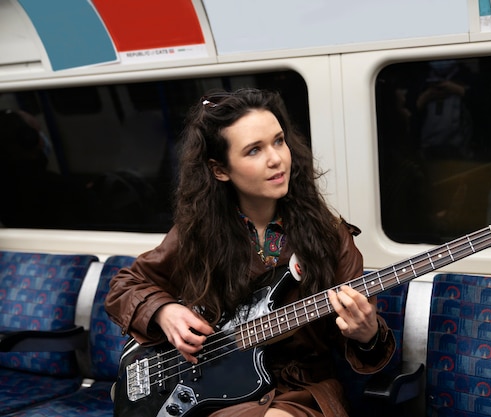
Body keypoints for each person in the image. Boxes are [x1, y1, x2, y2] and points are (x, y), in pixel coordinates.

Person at [104, 88, 395, 417]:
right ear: (220, 170)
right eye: (254, 150)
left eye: (279, 141)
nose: (276, 159)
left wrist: (367, 333)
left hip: (299, 389)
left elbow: (357, 346)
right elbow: (125, 285)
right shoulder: (197, 233)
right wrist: (164, 311)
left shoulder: (330, 235)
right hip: (216, 382)